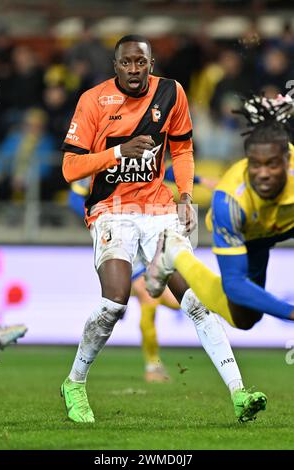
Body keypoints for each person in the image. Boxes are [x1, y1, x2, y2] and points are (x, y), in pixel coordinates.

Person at [60, 35, 266, 424]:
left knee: (196, 300)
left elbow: (183, 149)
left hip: (158, 208)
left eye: (142, 62)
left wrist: (185, 196)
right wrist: (120, 152)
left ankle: (239, 393)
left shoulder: (172, 93)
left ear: (151, 63)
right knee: (115, 301)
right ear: (115, 64)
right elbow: (70, 168)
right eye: (127, 63)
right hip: (111, 208)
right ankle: (74, 382)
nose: (135, 70)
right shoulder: (93, 100)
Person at [146, 94, 294, 331]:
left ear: (287, 162)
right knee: (244, 319)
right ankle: (175, 252)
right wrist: (290, 312)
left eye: (273, 165)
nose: (263, 173)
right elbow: (234, 284)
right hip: (251, 235)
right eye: (256, 165)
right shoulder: (229, 201)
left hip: (284, 221)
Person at [68, 171, 217, 384]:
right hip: (119, 230)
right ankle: (151, 366)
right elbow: (74, 197)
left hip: (147, 225)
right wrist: (97, 214)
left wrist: (201, 180)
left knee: (174, 301)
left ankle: (151, 358)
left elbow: (163, 169)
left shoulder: (135, 148)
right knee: (149, 299)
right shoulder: (98, 159)